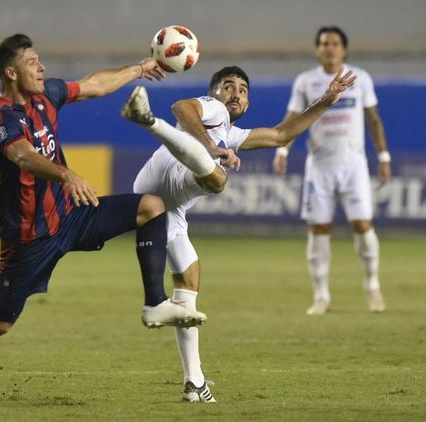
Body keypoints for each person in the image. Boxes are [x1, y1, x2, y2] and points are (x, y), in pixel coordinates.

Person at [0, 33, 208, 406]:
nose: (42, 67)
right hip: (30, 236)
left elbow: (92, 86)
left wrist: (139, 68)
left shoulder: (46, 95)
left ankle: (155, 304)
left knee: (152, 207)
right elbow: (22, 156)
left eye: (39, 60)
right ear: (10, 73)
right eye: (32, 63)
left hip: (71, 214)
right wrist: (65, 174)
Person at [121, 65, 356, 402]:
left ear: (247, 104)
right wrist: (210, 147)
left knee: (188, 283)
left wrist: (326, 101)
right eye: (228, 86)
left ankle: (194, 384)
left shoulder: (231, 135)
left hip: (164, 205)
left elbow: (281, 136)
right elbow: (181, 108)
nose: (236, 93)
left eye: (243, 90)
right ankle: (148, 120)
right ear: (214, 91)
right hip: (166, 179)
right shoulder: (212, 109)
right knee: (218, 178)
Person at [272, 26, 391, 315]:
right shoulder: (306, 82)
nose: (330, 48)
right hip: (320, 168)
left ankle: (372, 285)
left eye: (335, 43)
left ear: (344, 49)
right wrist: (282, 149)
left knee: (363, 225)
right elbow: (294, 118)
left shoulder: (360, 78)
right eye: (324, 43)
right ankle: (321, 295)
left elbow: (373, 119)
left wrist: (383, 155)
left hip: (353, 167)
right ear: (317, 49)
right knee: (318, 229)